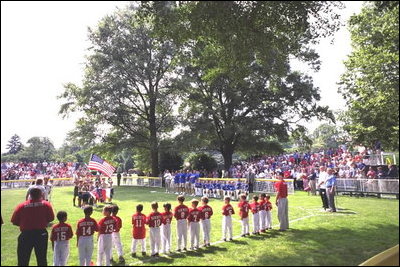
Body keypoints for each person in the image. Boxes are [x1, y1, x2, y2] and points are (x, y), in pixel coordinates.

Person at [11, 187, 55, 266]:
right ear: (41, 194)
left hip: (26, 234)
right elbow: (51, 218)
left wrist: (24, 224)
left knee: (23, 259)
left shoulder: (21, 206)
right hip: (41, 234)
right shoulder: (46, 204)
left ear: (30, 195)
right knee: (41, 258)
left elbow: (14, 221)